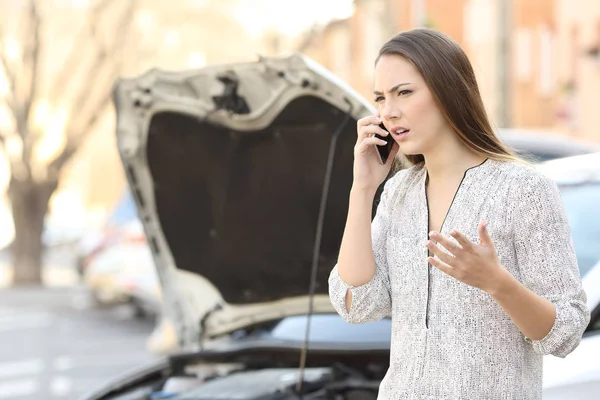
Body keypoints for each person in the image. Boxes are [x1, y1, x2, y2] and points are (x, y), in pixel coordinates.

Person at [328, 28, 590, 399]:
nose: (389, 111)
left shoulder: (523, 190)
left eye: (404, 92)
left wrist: (497, 283)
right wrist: (363, 188)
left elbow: (566, 333)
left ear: (449, 91)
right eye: (381, 98)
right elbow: (357, 303)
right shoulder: (399, 192)